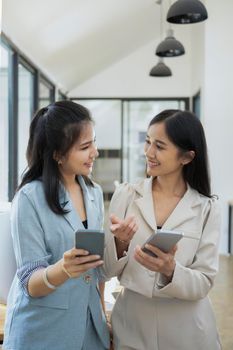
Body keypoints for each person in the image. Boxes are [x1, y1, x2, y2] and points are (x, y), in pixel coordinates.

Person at [104, 109, 221, 350]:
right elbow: (104, 271)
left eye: (159, 146)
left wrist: (171, 270)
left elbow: (204, 281)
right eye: (148, 142)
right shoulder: (126, 195)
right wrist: (120, 244)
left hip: (188, 333)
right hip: (131, 327)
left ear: (186, 157)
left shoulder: (207, 209)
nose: (148, 152)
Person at [3, 100, 111, 350]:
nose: (95, 151)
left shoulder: (93, 193)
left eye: (94, 141)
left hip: (89, 328)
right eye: (85, 146)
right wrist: (64, 268)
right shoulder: (29, 198)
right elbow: (30, 282)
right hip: (42, 331)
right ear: (57, 154)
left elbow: (95, 272)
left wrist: (102, 318)